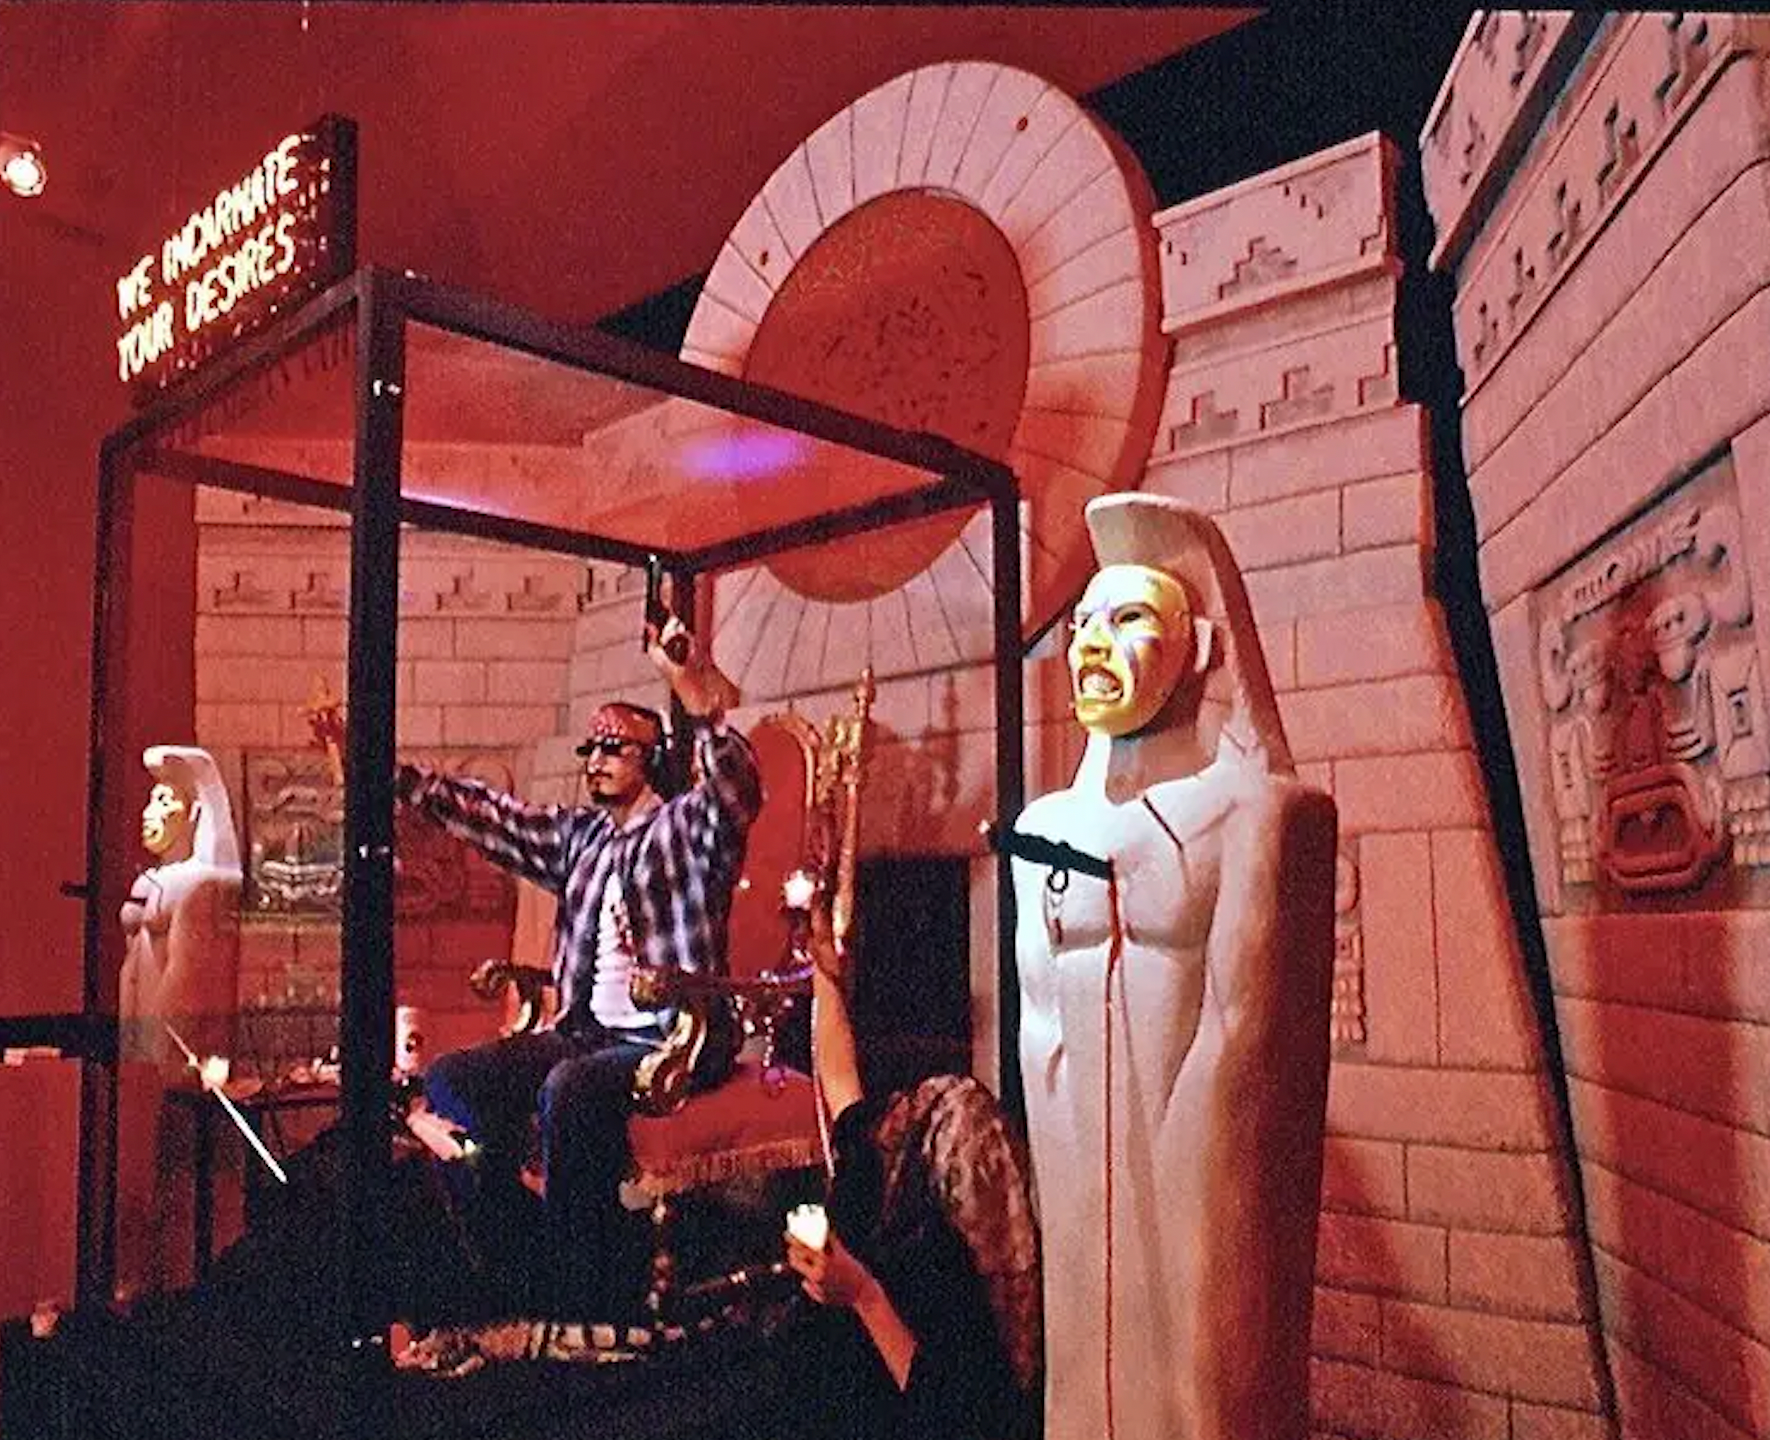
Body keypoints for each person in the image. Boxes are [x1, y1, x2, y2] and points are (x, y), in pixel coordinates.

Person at [1010, 495, 1338, 1440]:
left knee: (1201, 1375)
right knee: (1085, 1359)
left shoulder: (1256, 815)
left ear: (1198, 650)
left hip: (1196, 1138)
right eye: (1082, 625)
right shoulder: (1045, 829)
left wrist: (1191, 1169)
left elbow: (1245, 1031)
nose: (1092, 644)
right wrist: (1072, 1160)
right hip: (1078, 1139)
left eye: (1127, 620)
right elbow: (1039, 1018)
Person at [395, 617, 760, 1316]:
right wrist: (402, 781)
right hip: (589, 1032)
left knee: (570, 1087)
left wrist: (695, 695)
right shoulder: (582, 839)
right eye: (590, 747)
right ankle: (515, 1255)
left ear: (653, 758)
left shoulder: (687, 829)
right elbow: (495, 819)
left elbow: (736, 791)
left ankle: (580, 1290)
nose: (595, 759)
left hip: (673, 1039)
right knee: (451, 1078)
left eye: (614, 747)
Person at [770, 907, 1041, 1440]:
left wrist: (862, 1293)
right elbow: (840, 1082)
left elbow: (951, 1413)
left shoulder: (952, 1264)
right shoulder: (877, 1156)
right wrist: (825, 973)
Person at [119, 744, 242, 1065]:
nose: (149, 812)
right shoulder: (151, 881)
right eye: (151, 800)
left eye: (164, 801)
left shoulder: (199, 883)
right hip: (138, 1032)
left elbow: (188, 975)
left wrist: (164, 1044)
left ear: (195, 812)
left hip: (172, 1040)